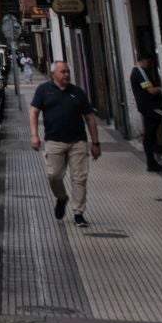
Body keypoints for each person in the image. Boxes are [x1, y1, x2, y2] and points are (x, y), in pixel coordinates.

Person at [30, 60, 102, 226]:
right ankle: (62, 198)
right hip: (54, 141)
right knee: (54, 175)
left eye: (68, 71)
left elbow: (90, 118)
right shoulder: (44, 90)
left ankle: (78, 213)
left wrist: (95, 143)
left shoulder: (78, 92)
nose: (67, 75)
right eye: (63, 72)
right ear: (54, 73)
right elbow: (34, 112)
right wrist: (34, 135)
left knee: (79, 178)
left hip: (78, 141)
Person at [129, 52, 162, 172]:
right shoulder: (140, 72)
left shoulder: (136, 72)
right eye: (149, 63)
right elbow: (150, 90)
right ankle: (152, 162)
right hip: (151, 107)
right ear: (144, 60)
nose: (150, 65)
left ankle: (152, 161)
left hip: (146, 107)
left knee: (150, 134)